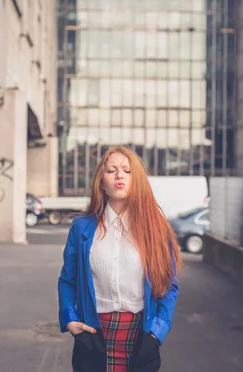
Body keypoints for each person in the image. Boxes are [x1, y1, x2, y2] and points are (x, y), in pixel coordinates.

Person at [58, 146, 183, 372]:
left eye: (127, 171)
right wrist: (70, 319)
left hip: (140, 337)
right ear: (101, 182)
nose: (119, 176)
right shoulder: (81, 228)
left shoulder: (156, 228)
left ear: (136, 180)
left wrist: (157, 332)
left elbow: (168, 286)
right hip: (93, 335)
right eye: (111, 170)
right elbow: (68, 280)